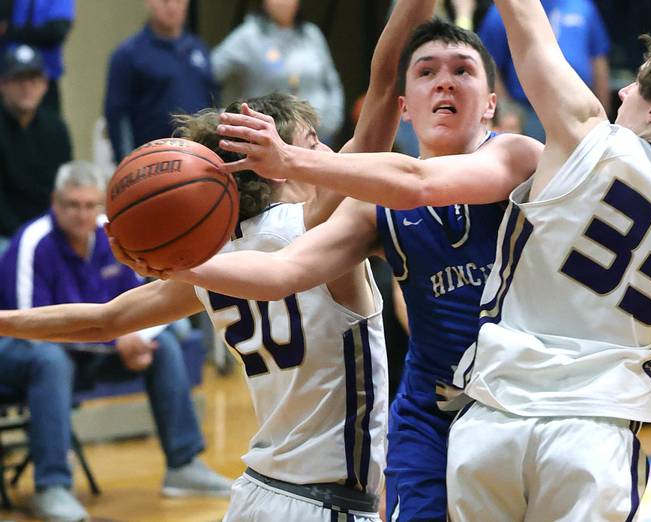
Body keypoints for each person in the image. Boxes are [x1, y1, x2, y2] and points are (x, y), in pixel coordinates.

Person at [199, 4, 651, 521]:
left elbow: (422, 164)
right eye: (428, 72)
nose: (620, 90)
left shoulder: (577, 142)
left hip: (495, 416)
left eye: (637, 85)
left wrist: (287, 172)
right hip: (586, 428)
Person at [0, 1, 435, 519]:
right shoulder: (324, 225)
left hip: (254, 497)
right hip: (326, 503)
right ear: (273, 161)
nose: (331, 153)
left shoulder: (214, 260)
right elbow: (385, 83)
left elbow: (104, 320)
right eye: (312, 143)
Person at [139, 18, 543, 521]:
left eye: (463, 70)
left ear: (491, 104)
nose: (444, 81)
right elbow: (286, 271)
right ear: (405, 108)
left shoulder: (519, 157)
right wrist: (184, 266)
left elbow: (415, 179)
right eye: (426, 72)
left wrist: (288, 164)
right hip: (427, 413)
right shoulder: (363, 207)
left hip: (527, 403)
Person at [0, 160, 231, 522]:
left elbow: (143, 303)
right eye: (72, 205)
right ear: (55, 203)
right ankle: (52, 486)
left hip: (88, 350)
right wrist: (115, 341)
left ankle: (183, 466)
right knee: (49, 359)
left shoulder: (111, 240)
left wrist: (132, 338)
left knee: (165, 346)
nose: (82, 214)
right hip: (23, 352)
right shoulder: (32, 242)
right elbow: (31, 329)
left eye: (90, 205)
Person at [211, 0, 344, 142]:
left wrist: (332, 120)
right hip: (274, 136)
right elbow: (209, 71)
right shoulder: (249, 36)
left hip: (319, 133)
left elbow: (332, 82)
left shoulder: (311, 34)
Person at [478, 0, 611, 141]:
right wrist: (506, 108)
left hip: (581, 109)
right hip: (527, 110)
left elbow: (598, 61)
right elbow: (487, 62)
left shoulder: (582, 5)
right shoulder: (507, 8)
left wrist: (604, 115)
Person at [104, 0, 217, 163]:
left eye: (178, 1)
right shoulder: (127, 55)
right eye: (165, 1)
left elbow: (213, 107)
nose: (172, 6)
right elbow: (117, 117)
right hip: (152, 163)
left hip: (199, 159)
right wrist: (127, 162)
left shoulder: (200, 49)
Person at [0, 44, 71, 247]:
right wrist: (25, 238)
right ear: (3, 84)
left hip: (48, 230)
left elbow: (62, 186)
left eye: (33, 79)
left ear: (45, 85)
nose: (27, 87)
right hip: (6, 235)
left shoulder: (56, 128)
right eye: (18, 79)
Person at [0, 0, 74, 114]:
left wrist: (11, 32)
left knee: (48, 127)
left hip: (44, 77)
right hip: (8, 77)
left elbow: (56, 31)